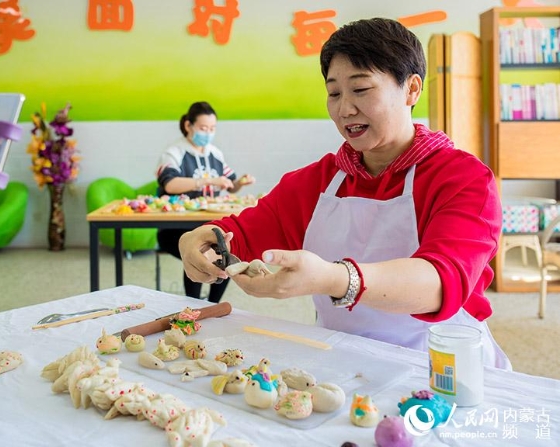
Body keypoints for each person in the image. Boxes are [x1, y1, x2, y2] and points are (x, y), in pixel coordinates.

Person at [178, 19, 511, 369]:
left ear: (412, 89)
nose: (344, 109)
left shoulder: (463, 178)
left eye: (361, 89)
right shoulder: (316, 182)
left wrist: (333, 279)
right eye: (334, 93)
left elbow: (438, 285)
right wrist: (199, 241)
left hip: (440, 364)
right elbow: (240, 235)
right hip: (341, 359)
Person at [156, 101, 255, 303]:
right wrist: (207, 180)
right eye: (203, 128)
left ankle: (212, 305)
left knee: (226, 249)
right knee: (201, 249)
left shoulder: (215, 153)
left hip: (210, 224)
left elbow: (229, 185)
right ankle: (194, 305)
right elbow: (170, 185)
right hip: (175, 228)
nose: (208, 133)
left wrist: (239, 183)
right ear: (188, 126)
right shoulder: (174, 152)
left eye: (212, 129)